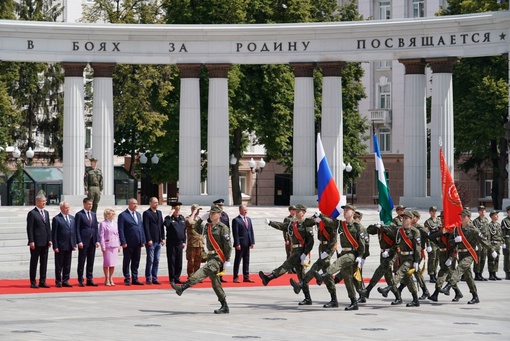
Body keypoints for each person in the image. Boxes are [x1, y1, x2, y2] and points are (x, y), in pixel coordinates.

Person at [171, 205, 232, 314]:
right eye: (210, 213)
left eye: (213, 213)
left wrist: (227, 260)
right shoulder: (208, 226)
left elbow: (228, 245)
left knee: (203, 271)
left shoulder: (223, 228)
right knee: (215, 283)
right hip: (210, 257)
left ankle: (183, 288)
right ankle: (224, 305)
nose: (211, 214)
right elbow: (195, 227)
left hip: (218, 258)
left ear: (219, 214)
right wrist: (201, 219)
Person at [312, 204, 366, 311]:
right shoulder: (341, 224)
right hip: (344, 252)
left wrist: (360, 256)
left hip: (352, 254)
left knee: (339, 261)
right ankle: (354, 302)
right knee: (347, 279)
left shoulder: (358, 227)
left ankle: (324, 275)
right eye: (344, 210)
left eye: (347, 210)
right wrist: (321, 216)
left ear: (353, 213)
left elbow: (362, 243)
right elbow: (330, 222)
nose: (345, 212)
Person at [259, 204, 315, 306]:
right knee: (301, 275)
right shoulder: (292, 223)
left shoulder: (307, 224)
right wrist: (271, 223)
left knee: (287, 264)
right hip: (294, 249)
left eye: (299, 211)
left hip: (300, 250)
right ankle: (308, 298)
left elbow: (310, 242)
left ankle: (269, 277)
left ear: (304, 212)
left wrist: (305, 254)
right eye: (295, 210)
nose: (296, 212)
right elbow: (282, 226)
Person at [439, 208, 498, 304]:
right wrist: (455, 241)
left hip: (469, 254)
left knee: (460, 268)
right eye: (461, 216)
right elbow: (450, 242)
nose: (461, 218)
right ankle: (475, 296)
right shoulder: (457, 229)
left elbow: (483, 240)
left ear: (469, 218)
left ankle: (448, 286)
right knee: (468, 276)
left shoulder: (473, 230)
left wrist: (492, 249)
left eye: (464, 216)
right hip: (461, 254)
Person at [289, 207, 339, 308]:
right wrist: (315, 218)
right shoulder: (320, 222)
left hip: (329, 248)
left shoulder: (332, 222)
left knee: (316, 267)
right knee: (326, 273)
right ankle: (334, 300)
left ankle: (301, 284)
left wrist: (327, 252)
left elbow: (333, 239)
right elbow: (306, 223)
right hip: (322, 247)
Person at [377, 210, 422, 307]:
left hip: (410, 258)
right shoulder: (399, 231)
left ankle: (388, 288)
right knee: (408, 279)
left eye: (406, 218)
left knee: (399, 273)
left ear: (410, 220)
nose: (404, 220)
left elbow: (418, 248)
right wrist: (381, 226)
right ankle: (415, 299)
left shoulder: (415, 232)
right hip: (402, 257)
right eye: (403, 218)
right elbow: (396, 244)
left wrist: (417, 261)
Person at [427, 211, 460, 302]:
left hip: (449, 255)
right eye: (441, 218)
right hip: (442, 254)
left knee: (442, 273)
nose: (442, 219)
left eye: (444, 218)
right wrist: (442, 233)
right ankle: (457, 292)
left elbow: (455, 245)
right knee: (449, 275)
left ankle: (435, 294)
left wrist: (451, 258)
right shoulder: (441, 229)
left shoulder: (453, 230)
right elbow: (431, 236)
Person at [118, 198, 146, 286]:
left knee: (136, 261)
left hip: (137, 242)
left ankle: (135, 278)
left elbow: (141, 228)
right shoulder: (123, 215)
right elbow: (121, 229)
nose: (135, 205)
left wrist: (142, 240)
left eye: (136, 204)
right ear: (129, 204)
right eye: (134, 204)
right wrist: (123, 241)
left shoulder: (138, 214)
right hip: (128, 242)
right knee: (127, 261)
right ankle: (127, 278)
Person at [27, 194, 52, 288]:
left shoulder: (46, 213)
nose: (44, 203)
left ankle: (42, 281)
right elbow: (29, 228)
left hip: (45, 241)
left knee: (44, 262)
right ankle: (33, 282)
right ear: (37, 202)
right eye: (42, 201)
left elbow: (48, 227)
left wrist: (50, 239)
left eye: (45, 201)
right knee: (34, 262)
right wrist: (31, 241)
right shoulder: (32, 213)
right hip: (36, 242)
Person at [76, 197, 100, 287]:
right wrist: (79, 241)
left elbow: (95, 227)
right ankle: (80, 279)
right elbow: (77, 229)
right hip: (83, 241)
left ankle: (89, 279)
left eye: (91, 204)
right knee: (82, 261)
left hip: (92, 241)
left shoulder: (93, 214)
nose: (90, 206)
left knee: (91, 261)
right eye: (89, 204)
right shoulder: (79, 214)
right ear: (84, 204)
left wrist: (97, 240)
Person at [51, 201, 76, 288]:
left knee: (67, 264)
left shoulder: (72, 218)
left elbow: (73, 232)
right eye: (65, 207)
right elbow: (54, 234)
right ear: (61, 208)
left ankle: (66, 280)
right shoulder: (57, 219)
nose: (67, 209)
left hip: (69, 245)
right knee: (59, 265)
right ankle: (58, 280)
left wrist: (74, 244)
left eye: (68, 207)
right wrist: (55, 246)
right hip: (60, 245)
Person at [143, 197, 165, 285]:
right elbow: (146, 227)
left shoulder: (159, 213)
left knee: (157, 260)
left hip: (158, 240)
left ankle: (155, 278)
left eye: (157, 202)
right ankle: (148, 278)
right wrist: (148, 239)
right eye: (155, 202)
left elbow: (161, 226)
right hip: (151, 241)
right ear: (150, 203)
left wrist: (163, 238)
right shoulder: (146, 213)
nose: (156, 204)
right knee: (150, 260)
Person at [164, 202, 186, 284]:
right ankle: (172, 278)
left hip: (180, 242)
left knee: (179, 261)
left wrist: (184, 241)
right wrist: (170, 214)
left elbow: (184, 231)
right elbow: (166, 224)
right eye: (176, 209)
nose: (177, 211)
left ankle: (177, 277)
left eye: (178, 209)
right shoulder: (169, 219)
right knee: (172, 261)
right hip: (171, 243)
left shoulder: (181, 218)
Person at [232, 204, 255, 283]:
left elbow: (251, 231)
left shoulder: (248, 219)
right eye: (244, 209)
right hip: (240, 244)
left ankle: (246, 276)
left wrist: (252, 242)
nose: (246, 211)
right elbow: (236, 233)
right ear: (240, 210)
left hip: (247, 243)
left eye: (246, 209)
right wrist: (237, 243)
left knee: (246, 260)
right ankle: (235, 277)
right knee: (237, 260)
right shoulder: (236, 220)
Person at [99, 208, 121, 286]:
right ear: (107, 215)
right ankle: (106, 278)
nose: (113, 215)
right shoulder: (103, 224)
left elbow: (118, 234)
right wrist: (103, 246)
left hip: (114, 244)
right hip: (107, 245)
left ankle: (111, 277)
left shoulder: (115, 223)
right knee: (107, 263)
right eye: (112, 214)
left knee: (113, 263)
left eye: (114, 214)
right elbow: (101, 236)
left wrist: (119, 245)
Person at [213, 198, 229, 282]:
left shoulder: (225, 215)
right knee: (215, 259)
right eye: (219, 205)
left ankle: (220, 276)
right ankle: (215, 275)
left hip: (223, 240)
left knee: (223, 258)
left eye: (222, 206)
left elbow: (228, 228)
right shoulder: (213, 214)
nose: (221, 207)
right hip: (216, 240)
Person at [186, 204, 204, 278]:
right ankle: (190, 275)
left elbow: (202, 231)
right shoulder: (188, 218)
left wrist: (203, 242)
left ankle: (196, 276)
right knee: (191, 261)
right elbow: (189, 223)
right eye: (197, 210)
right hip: (192, 243)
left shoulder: (199, 219)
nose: (198, 211)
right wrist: (193, 213)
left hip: (199, 243)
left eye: (199, 210)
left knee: (198, 261)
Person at [424, 206, 441, 283]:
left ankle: (435, 273)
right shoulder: (427, 222)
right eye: (432, 211)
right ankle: (431, 274)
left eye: (435, 211)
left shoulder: (439, 221)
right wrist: (428, 245)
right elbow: (427, 234)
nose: (434, 213)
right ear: (430, 212)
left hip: (439, 243)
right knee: (432, 259)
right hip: (432, 243)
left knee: (437, 259)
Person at [472, 205, 490, 281]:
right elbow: (474, 233)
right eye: (481, 211)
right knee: (478, 258)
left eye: (484, 210)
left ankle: (480, 273)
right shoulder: (475, 221)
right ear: (478, 212)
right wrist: (475, 244)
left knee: (483, 258)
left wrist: (488, 242)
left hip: (485, 241)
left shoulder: (486, 220)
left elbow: (488, 232)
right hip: (479, 242)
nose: (483, 212)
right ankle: (476, 274)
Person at [487, 211, 503, 281]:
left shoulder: (498, 225)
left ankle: (494, 273)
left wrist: (502, 242)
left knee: (496, 259)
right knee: (491, 260)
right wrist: (490, 247)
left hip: (498, 244)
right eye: (495, 215)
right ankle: (491, 274)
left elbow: (501, 235)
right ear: (492, 216)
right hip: (492, 244)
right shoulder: (489, 225)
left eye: (497, 215)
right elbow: (488, 237)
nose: (497, 216)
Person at [283, 205, 297, 273]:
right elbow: (285, 229)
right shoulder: (287, 219)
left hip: (296, 239)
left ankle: (293, 268)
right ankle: (289, 268)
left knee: (294, 254)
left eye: (295, 210)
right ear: (290, 210)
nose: (294, 211)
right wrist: (286, 239)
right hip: (290, 238)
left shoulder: (296, 218)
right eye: (293, 210)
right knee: (289, 254)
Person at [501, 206, 510, 280]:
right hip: (507, 240)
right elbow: (503, 233)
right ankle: (507, 272)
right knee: (507, 257)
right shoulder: (505, 221)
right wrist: (503, 242)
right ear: (508, 212)